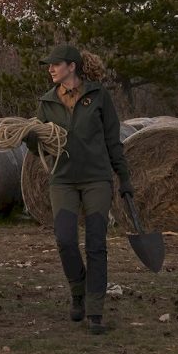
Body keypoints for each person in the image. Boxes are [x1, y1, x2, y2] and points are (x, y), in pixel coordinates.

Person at [31, 44, 133, 335]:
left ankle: (96, 310)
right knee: (64, 240)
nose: (50, 69)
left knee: (96, 244)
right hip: (62, 179)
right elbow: (39, 145)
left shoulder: (99, 96)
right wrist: (28, 136)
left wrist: (123, 178)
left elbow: (113, 140)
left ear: (72, 67)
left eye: (56, 64)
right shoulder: (46, 102)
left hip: (96, 179)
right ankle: (78, 291)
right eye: (49, 65)